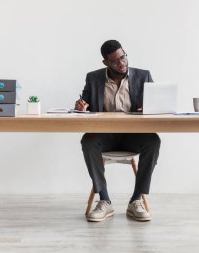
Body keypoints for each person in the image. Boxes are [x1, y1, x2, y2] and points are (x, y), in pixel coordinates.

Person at [75, 40, 161, 222]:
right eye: (115, 61)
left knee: (153, 141)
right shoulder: (93, 78)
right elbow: (85, 105)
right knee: (88, 141)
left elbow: (157, 106)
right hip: (106, 135)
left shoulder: (143, 76)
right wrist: (81, 107)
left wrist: (147, 108)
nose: (121, 63)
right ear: (106, 63)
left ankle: (136, 200)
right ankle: (104, 200)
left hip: (133, 135)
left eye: (123, 57)